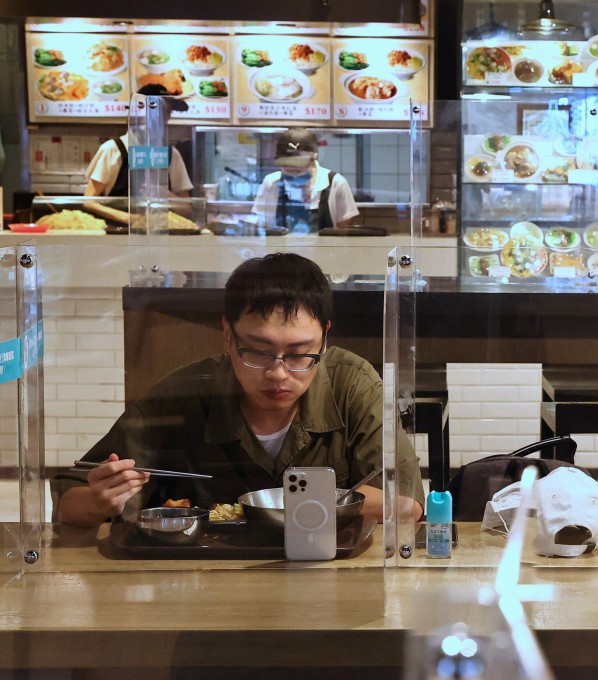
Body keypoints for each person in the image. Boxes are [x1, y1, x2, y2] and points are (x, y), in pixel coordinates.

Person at [50, 253, 425, 527]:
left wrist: (282, 502)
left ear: (324, 341)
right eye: (259, 352)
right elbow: (70, 501)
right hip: (201, 582)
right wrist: (100, 501)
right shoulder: (185, 393)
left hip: (327, 570)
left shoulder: (352, 386)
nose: (278, 373)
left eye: (299, 354)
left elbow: (407, 504)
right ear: (228, 337)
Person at [83, 84, 194, 224]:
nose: (164, 117)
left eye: (168, 112)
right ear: (139, 109)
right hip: (118, 237)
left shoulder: (171, 154)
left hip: (162, 238)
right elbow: (89, 201)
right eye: (158, 110)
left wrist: (168, 196)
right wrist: (128, 218)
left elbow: (188, 209)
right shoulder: (114, 149)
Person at [250, 128, 359, 233]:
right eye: (286, 164)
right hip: (280, 251)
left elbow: (344, 229)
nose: (292, 169)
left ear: (313, 158)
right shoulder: (271, 182)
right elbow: (260, 225)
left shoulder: (335, 183)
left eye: (298, 165)